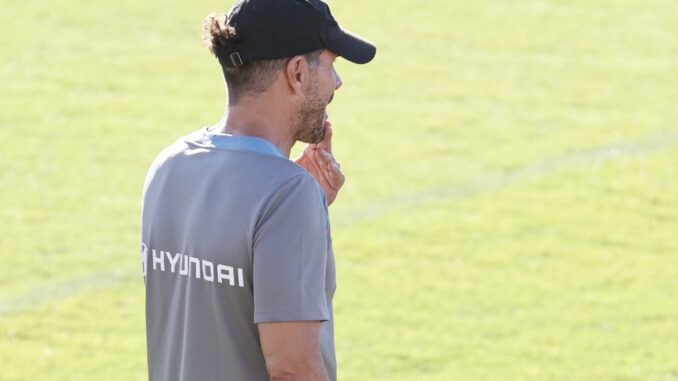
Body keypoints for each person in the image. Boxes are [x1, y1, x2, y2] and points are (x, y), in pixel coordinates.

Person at [139, 0, 376, 380]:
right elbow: (293, 369)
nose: (337, 82)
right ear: (297, 72)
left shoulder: (169, 164)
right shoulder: (287, 196)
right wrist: (296, 208)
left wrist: (299, 219)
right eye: (331, 65)